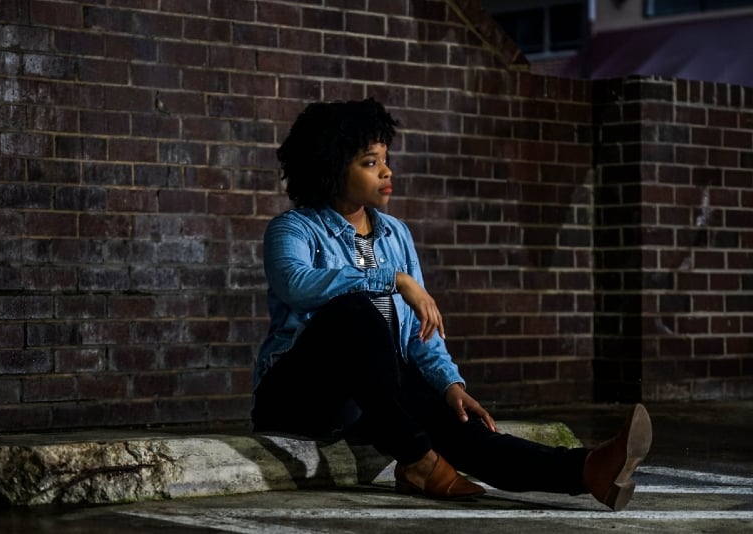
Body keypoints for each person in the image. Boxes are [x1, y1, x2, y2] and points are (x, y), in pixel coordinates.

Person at [251, 97, 652, 511]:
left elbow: (421, 330)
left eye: (385, 159)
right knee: (354, 312)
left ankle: (587, 470)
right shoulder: (292, 229)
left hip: (374, 396)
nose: (387, 171)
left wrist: (449, 384)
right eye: (370, 163)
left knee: (462, 426)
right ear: (332, 167)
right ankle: (418, 461)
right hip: (299, 398)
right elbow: (297, 284)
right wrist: (393, 279)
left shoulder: (395, 235)